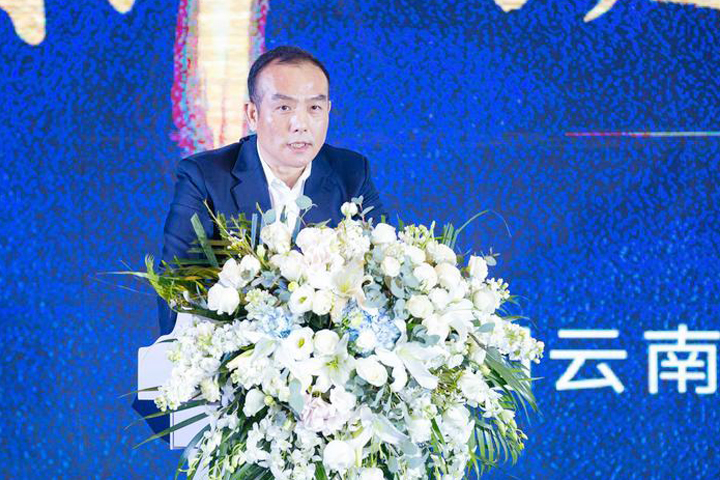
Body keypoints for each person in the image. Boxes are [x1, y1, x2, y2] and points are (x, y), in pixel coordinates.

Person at [133, 45, 388, 443]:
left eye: (314, 108)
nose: (300, 124)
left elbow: (384, 273)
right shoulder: (205, 177)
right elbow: (177, 290)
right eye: (284, 108)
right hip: (237, 399)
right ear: (252, 114)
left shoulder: (351, 172)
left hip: (331, 401)